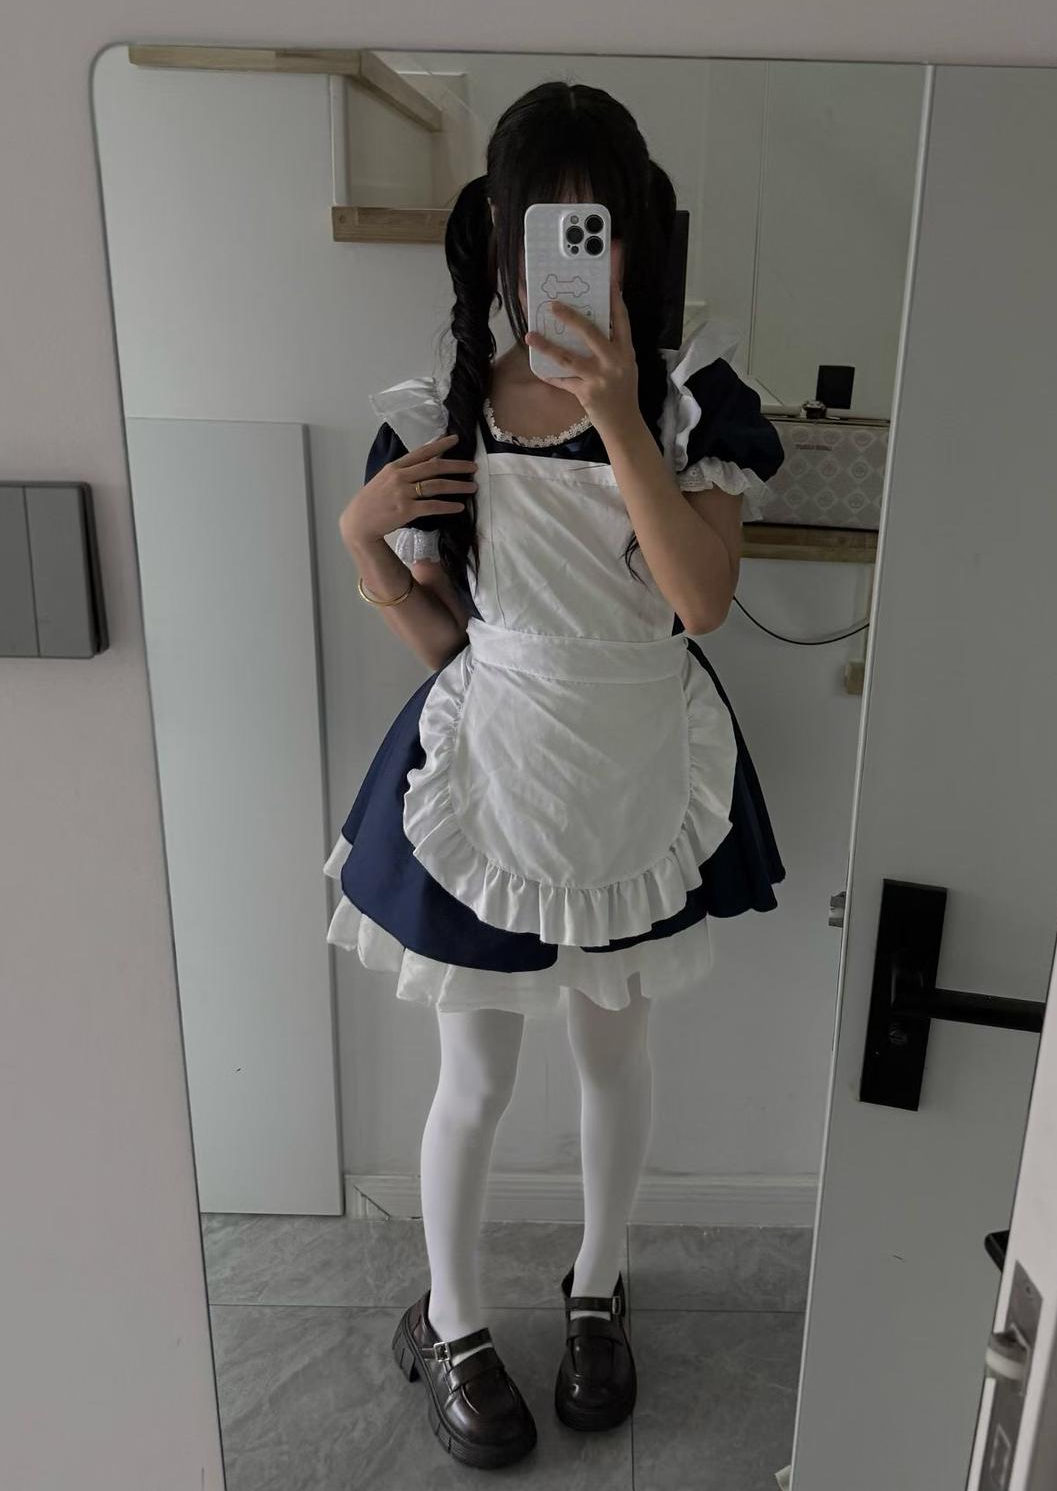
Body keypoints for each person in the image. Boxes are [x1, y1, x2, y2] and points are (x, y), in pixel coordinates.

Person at [328, 81, 786, 1469]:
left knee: (613, 1050)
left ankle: (599, 1283)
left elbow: (700, 599)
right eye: (547, 228)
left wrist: (622, 414)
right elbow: (447, 643)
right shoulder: (440, 412)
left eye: (602, 226)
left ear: (635, 236)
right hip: (496, 768)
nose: (574, 257)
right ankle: (455, 1321)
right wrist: (363, 538)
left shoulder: (696, 400)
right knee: (471, 1077)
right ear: (502, 238)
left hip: (636, 765)